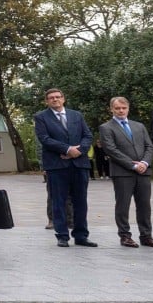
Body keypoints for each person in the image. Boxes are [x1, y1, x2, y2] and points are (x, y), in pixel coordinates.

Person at [34, 88, 97, 248]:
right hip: (57, 166)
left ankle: (81, 235)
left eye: (57, 97)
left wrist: (79, 151)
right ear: (47, 101)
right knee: (59, 202)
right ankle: (62, 235)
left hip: (79, 164)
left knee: (81, 201)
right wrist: (68, 149)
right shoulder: (41, 117)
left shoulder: (77, 115)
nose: (55, 100)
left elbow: (88, 135)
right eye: (51, 98)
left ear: (63, 98)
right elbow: (44, 139)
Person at [98, 97, 153, 248]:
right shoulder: (106, 127)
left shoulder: (139, 126)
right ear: (111, 109)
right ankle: (125, 236)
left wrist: (144, 163)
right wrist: (132, 165)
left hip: (143, 172)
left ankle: (146, 236)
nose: (121, 111)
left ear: (128, 108)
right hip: (122, 172)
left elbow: (150, 146)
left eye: (123, 108)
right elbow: (111, 150)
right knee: (123, 205)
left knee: (144, 205)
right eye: (117, 108)